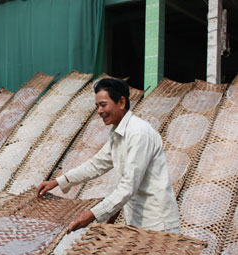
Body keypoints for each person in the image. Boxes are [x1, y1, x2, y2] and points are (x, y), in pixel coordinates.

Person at [36, 78, 180, 235]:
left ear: (122, 102)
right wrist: (57, 182)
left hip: (157, 224)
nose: (99, 111)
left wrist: (92, 215)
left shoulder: (139, 133)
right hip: (138, 223)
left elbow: (128, 186)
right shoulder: (117, 134)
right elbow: (96, 165)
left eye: (103, 105)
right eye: (97, 106)